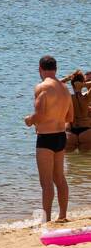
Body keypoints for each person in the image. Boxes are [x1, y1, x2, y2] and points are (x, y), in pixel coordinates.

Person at [25, 55, 72, 221]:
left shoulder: (42, 87)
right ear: (56, 69)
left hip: (45, 139)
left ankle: (47, 219)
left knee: (46, 183)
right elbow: (70, 117)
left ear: (40, 69)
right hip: (61, 136)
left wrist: (29, 120)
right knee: (59, 178)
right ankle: (63, 215)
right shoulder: (65, 89)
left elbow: (39, 114)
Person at [61, 69, 91, 153]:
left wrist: (67, 78)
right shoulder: (87, 98)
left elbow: (53, 85)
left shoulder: (67, 97)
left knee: (70, 162)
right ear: (82, 82)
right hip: (86, 131)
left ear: (71, 84)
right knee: (85, 162)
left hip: (70, 132)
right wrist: (83, 85)